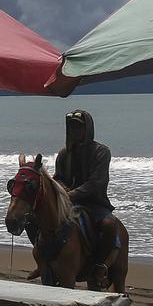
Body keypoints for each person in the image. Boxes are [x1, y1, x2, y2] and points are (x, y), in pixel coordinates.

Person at [53, 109, 119, 260]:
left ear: (87, 129)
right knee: (37, 219)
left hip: (94, 203)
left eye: (79, 127)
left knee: (109, 225)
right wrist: (62, 190)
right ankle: (43, 258)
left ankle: (100, 265)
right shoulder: (64, 153)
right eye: (72, 127)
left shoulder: (101, 152)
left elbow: (96, 183)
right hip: (67, 203)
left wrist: (71, 194)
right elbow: (58, 178)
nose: (75, 131)